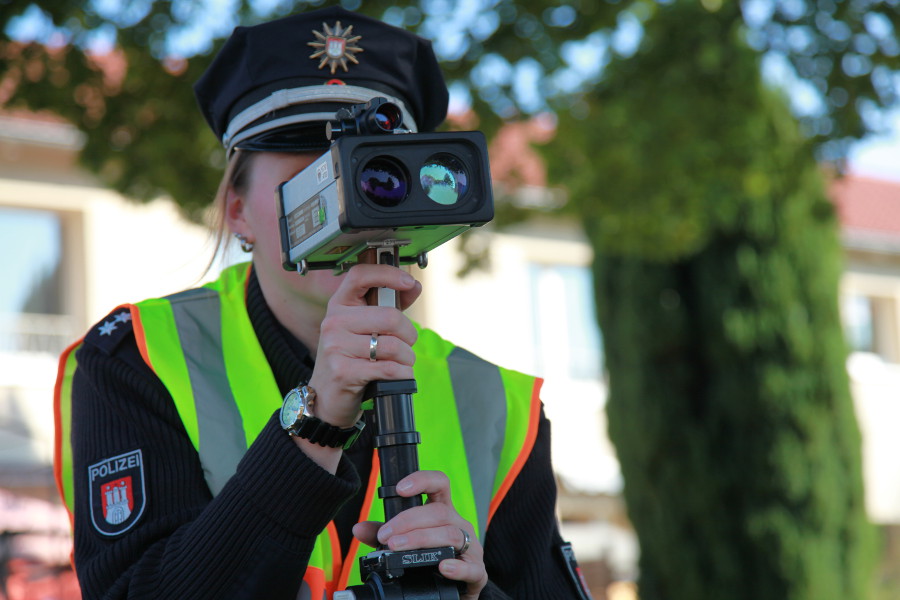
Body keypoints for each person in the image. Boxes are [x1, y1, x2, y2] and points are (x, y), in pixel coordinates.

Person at [53, 6, 592, 600]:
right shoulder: (139, 357)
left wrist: (475, 592)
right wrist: (314, 427)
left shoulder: (500, 406)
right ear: (236, 210)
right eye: (311, 169)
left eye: (374, 171)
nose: (349, 202)